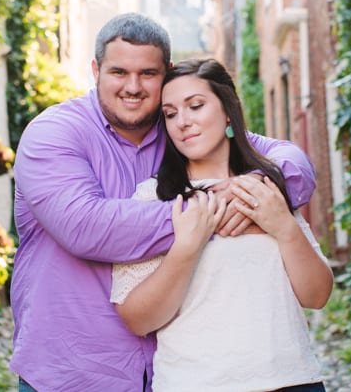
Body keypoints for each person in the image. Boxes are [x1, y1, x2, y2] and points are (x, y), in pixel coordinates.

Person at [9, 13, 317, 391]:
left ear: (167, 74)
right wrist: (207, 214)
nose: (133, 87)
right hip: (72, 372)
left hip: (168, 373)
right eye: (118, 72)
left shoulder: (180, 130)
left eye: (148, 74)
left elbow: (291, 162)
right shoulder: (54, 134)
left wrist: (253, 191)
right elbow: (85, 226)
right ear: (95, 70)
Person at [111, 58, 333, 392]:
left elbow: (317, 295)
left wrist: (284, 228)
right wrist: (186, 248)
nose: (183, 122)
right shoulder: (153, 199)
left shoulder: (265, 186)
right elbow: (138, 320)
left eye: (196, 106)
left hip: (291, 381)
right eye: (170, 114)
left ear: (228, 111)